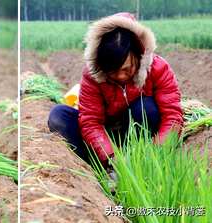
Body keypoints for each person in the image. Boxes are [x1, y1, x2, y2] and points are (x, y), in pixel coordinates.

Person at [48, 12, 183, 170]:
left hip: (138, 134)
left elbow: (173, 117)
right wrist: (112, 158)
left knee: (146, 108)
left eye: (127, 69)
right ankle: (98, 170)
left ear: (138, 55)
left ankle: (142, 163)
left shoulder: (157, 69)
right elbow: (90, 122)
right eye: (112, 71)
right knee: (59, 116)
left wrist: (156, 150)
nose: (120, 76)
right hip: (103, 137)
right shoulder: (93, 75)